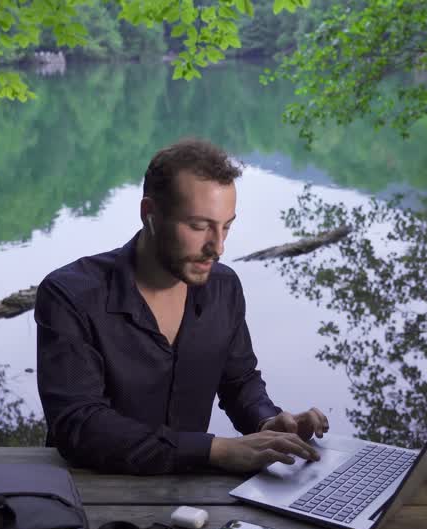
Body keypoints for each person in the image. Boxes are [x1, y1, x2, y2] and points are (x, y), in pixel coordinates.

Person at [34, 138, 330, 476]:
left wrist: (269, 421)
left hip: (189, 494)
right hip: (91, 493)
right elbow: (79, 425)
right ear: (150, 214)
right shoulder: (69, 295)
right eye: (199, 226)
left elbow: (239, 380)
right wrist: (214, 449)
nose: (217, 247)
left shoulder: (224, 287)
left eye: (226, 226)